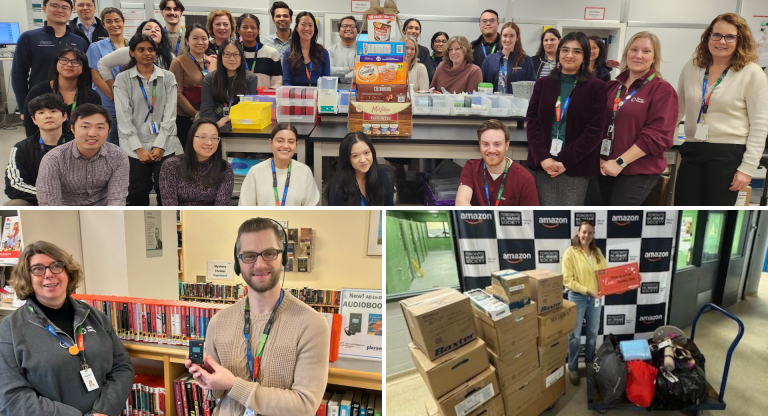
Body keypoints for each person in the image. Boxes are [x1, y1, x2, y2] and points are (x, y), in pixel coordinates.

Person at [184, 217, 330, 416]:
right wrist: (207, 376)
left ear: (283, 258)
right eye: (249, 256)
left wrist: (234, 384)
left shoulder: (312, 324)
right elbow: (218, 394)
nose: (260, 264)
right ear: (238, 263)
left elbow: (304, 406)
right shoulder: (219, 322)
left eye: (269, 253)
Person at [0, 241, 135, 416]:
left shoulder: (95, 316)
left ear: (68, 272)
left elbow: (122, 367)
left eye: (56, 266)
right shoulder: (9, 330)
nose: (48, 274)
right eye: (38, 269)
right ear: (27, 277)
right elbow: (11, 397)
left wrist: (104, 410)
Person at [676, 13, 768, 206]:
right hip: (693, 149)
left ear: (739, 40)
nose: (721, 41)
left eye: (729, 37)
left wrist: (748, 167)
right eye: (716, 35)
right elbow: (677, 110)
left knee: (714, 214)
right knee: (684, 209)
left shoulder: (751, 73)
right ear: (708, 36)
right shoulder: (692, 67)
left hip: (728, 153)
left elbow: (760, 124)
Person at [526, 31, 607, 206]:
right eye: (565, 50)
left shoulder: (597, 88)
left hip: (575, 166)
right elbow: (532, 122)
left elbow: (594, 132)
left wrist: (565, 160)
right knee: (544, 219)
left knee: (568, 220)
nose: (569, 55)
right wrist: (543, 157)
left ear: (585, 56)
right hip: (544, 164)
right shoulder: (542, 84)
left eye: (577, 51)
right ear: (558, 53)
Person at [599, 32, 678, 205]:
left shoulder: (662, 90)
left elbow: (657, 136)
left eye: (646, 51)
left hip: (638, 171)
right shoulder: (612, 87)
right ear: (627, 53)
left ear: (654, 57)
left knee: (617, 223)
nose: (638, 55)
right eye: (634, 49)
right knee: (598, 222)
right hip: (604, 166)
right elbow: (597, 125)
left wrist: (620, 162)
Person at [113, 34, 182, 206]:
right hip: (132, 146)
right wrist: (139, 148)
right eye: (141, 49)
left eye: (151, 49)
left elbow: (170, 115)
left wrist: (159, 145)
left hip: (165, 143)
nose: (147, 53)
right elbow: (123, 118)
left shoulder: (167, 77)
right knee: (137, 190)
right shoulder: (123, 79)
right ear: (132, 53)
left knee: (165, 189)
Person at [36, 104, 129, 206]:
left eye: (100, 127)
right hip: (66, 214)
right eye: (85, 127)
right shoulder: (53, 159)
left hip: (104, 213)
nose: (92, 133)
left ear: (109, 130)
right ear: (72, 128)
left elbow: (117, 199)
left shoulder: (118, 156)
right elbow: (49, 204)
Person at [11, 0, 89, 117]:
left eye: (65, 7)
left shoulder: (80, 41)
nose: (60, 10)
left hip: (74, 103)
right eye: (54, 6)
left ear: (70, 11)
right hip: (40, 103)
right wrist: (23, 108)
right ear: (44, 9)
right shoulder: (29, 38)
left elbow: (86, 74)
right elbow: (18, 75)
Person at [562, 221, 607, 386]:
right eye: (584, 232)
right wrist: (588, 291)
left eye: (590, 233)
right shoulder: (570, 253)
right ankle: (573, 368)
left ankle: (589, 364)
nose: (586, 236)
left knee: (593, 333)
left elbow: (605, 275)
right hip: (578, 297)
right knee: (574, 335)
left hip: (595, 298)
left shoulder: (597, 253)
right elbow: (568, 281)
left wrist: (628, 280)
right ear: (578, 232)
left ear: (593, 235)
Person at [22, 47, 101, 138]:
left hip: (80, 146)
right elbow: (30, 125)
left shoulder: (92, 96)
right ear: (56, 64)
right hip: (45, 145)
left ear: (83, 69)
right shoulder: (38, 92)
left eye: (76, 62)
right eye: (64, 60)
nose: (69, 64)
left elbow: (96, 126)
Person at [456, 119, 539, 206]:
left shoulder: (525, 179)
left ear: (506, 146)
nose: (491, 150)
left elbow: (530, 216)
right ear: (479, 144)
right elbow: (461, 201)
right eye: (486, 144)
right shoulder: (471, 168)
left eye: (497, 144)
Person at [5, 94, 69, 206]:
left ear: (64, 116)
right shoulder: (21, 148)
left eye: (53, 111)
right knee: (14, 204)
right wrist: (51, 195)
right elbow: (14, 186)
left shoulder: (77, 145)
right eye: (41, 112)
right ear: (34, 120)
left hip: (74, 201)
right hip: (37, 200)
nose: (48, 116)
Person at [239, 123, 319, 206]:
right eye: (280, 141)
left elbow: (311, 209)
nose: (285, 146)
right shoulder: (255, 172)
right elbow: (245, 207)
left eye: (291, 142)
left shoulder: (304, 172)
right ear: (271, 142)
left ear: (296, 145)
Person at [159, 118, 234, 206]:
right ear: (191, 138)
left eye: (214, 138)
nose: (209, 143)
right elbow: (169, 206)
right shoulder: (171, 165)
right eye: (203, 137)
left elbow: (221, 206)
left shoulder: (224, 167)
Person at [170, 24, 219, 148]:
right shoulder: (178, 62)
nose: (200, 42)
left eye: (204, 38)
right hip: (187, 118)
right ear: (187, 41)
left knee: (211, 152)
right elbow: (176, 93)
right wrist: (196, 114)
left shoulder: (214, 62)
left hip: (211, 117)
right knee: (192, 157)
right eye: (195, 38)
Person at [88, 7, 128, 145]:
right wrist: (114, 96)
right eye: (109, 21)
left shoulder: (133, 46)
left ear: (123, 22)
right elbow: (96, 77)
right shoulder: (96, 47)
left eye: (117, 20)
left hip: (130, 102)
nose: (114, 24)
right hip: (108, 102)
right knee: (110, 140)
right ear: (104, 25)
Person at [200, 40, 259, 132]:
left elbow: (249, 109)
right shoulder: (209, 79)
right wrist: (216, 126)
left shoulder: (250, 78)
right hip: (214, 127)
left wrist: (228, 118)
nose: (232, 58)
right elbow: (206, 110)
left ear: (241, 57)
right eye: (227, 54)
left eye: (236, 54)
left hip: (241, 126)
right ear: (220, 56)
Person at [96, 19, 175, 84]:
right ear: (140, 34)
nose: (153, 31)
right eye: (148, 29)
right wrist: (113, 88)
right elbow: (102, 64)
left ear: (162, 36)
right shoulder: (129, 51)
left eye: (157, 30)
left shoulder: (170, 56)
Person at [328, 132, 394, 206]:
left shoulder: (381, 175)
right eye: (355, 156)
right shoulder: (338, 184)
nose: (363, 160)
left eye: (366, 153)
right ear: (347, 159)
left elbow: (389, 208)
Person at [480, 22, 536, 93]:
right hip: (493, 102)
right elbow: (482, 84)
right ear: (501, 37)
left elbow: (531, 87)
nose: (508, 39)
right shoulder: (489, 59)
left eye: (512, 36)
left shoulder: (526, 60)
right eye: (505, 36)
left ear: (517, 38)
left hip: (517, 103)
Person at [283, 11, 331, 86]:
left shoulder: (322, 52)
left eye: (310, 25)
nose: (307, 28)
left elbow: (326, 80)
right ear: (296, 27)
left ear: (314, 28)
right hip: (296, 95)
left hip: (317, 95)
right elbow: (287, 82)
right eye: (303, 25)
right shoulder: (289, 53)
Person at [237, 13, 282, 88]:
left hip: (263, 99)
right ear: (238, 30)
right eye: (245, 27)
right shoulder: (234, 53)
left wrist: (266, 97)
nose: (249, 30)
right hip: (239, 98)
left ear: (258, 31)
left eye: (253, 28)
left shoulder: (271, 53)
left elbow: (277, 83)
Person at [328, 16, 358, 87]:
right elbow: (329, 71)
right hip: (336, 94)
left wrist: (340, 79)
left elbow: (363, 72)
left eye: (352, 26)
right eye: (344, 26)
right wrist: (350, 69)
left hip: (359, 94)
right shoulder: (330, 50)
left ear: (357, 31)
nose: (348, 29)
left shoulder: (364, 51)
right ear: (339, 31)